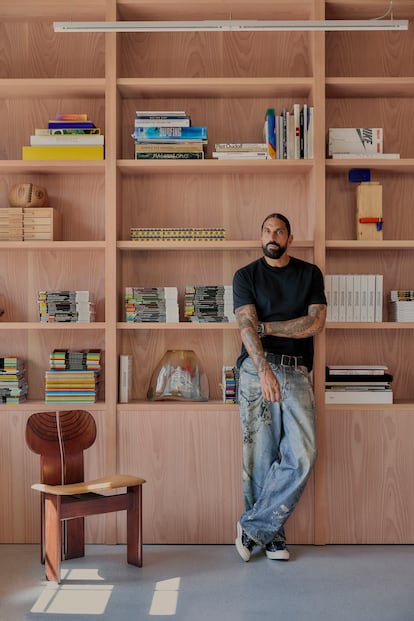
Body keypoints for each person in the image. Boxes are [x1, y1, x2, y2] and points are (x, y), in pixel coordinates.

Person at [232, 213, 327, 562]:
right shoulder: (245, 276)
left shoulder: (309, 273)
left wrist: (268, 329)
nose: (273, 236)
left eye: (280, 231)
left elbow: (315, 322)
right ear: (260, 236)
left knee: (303, 454)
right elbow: (245, 326)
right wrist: (264, 370)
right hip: (258, 372)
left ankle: (253, 527)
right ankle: (273, 538)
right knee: (258, 457)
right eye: (268, 231)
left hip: (298, 372)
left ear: (290, 237)